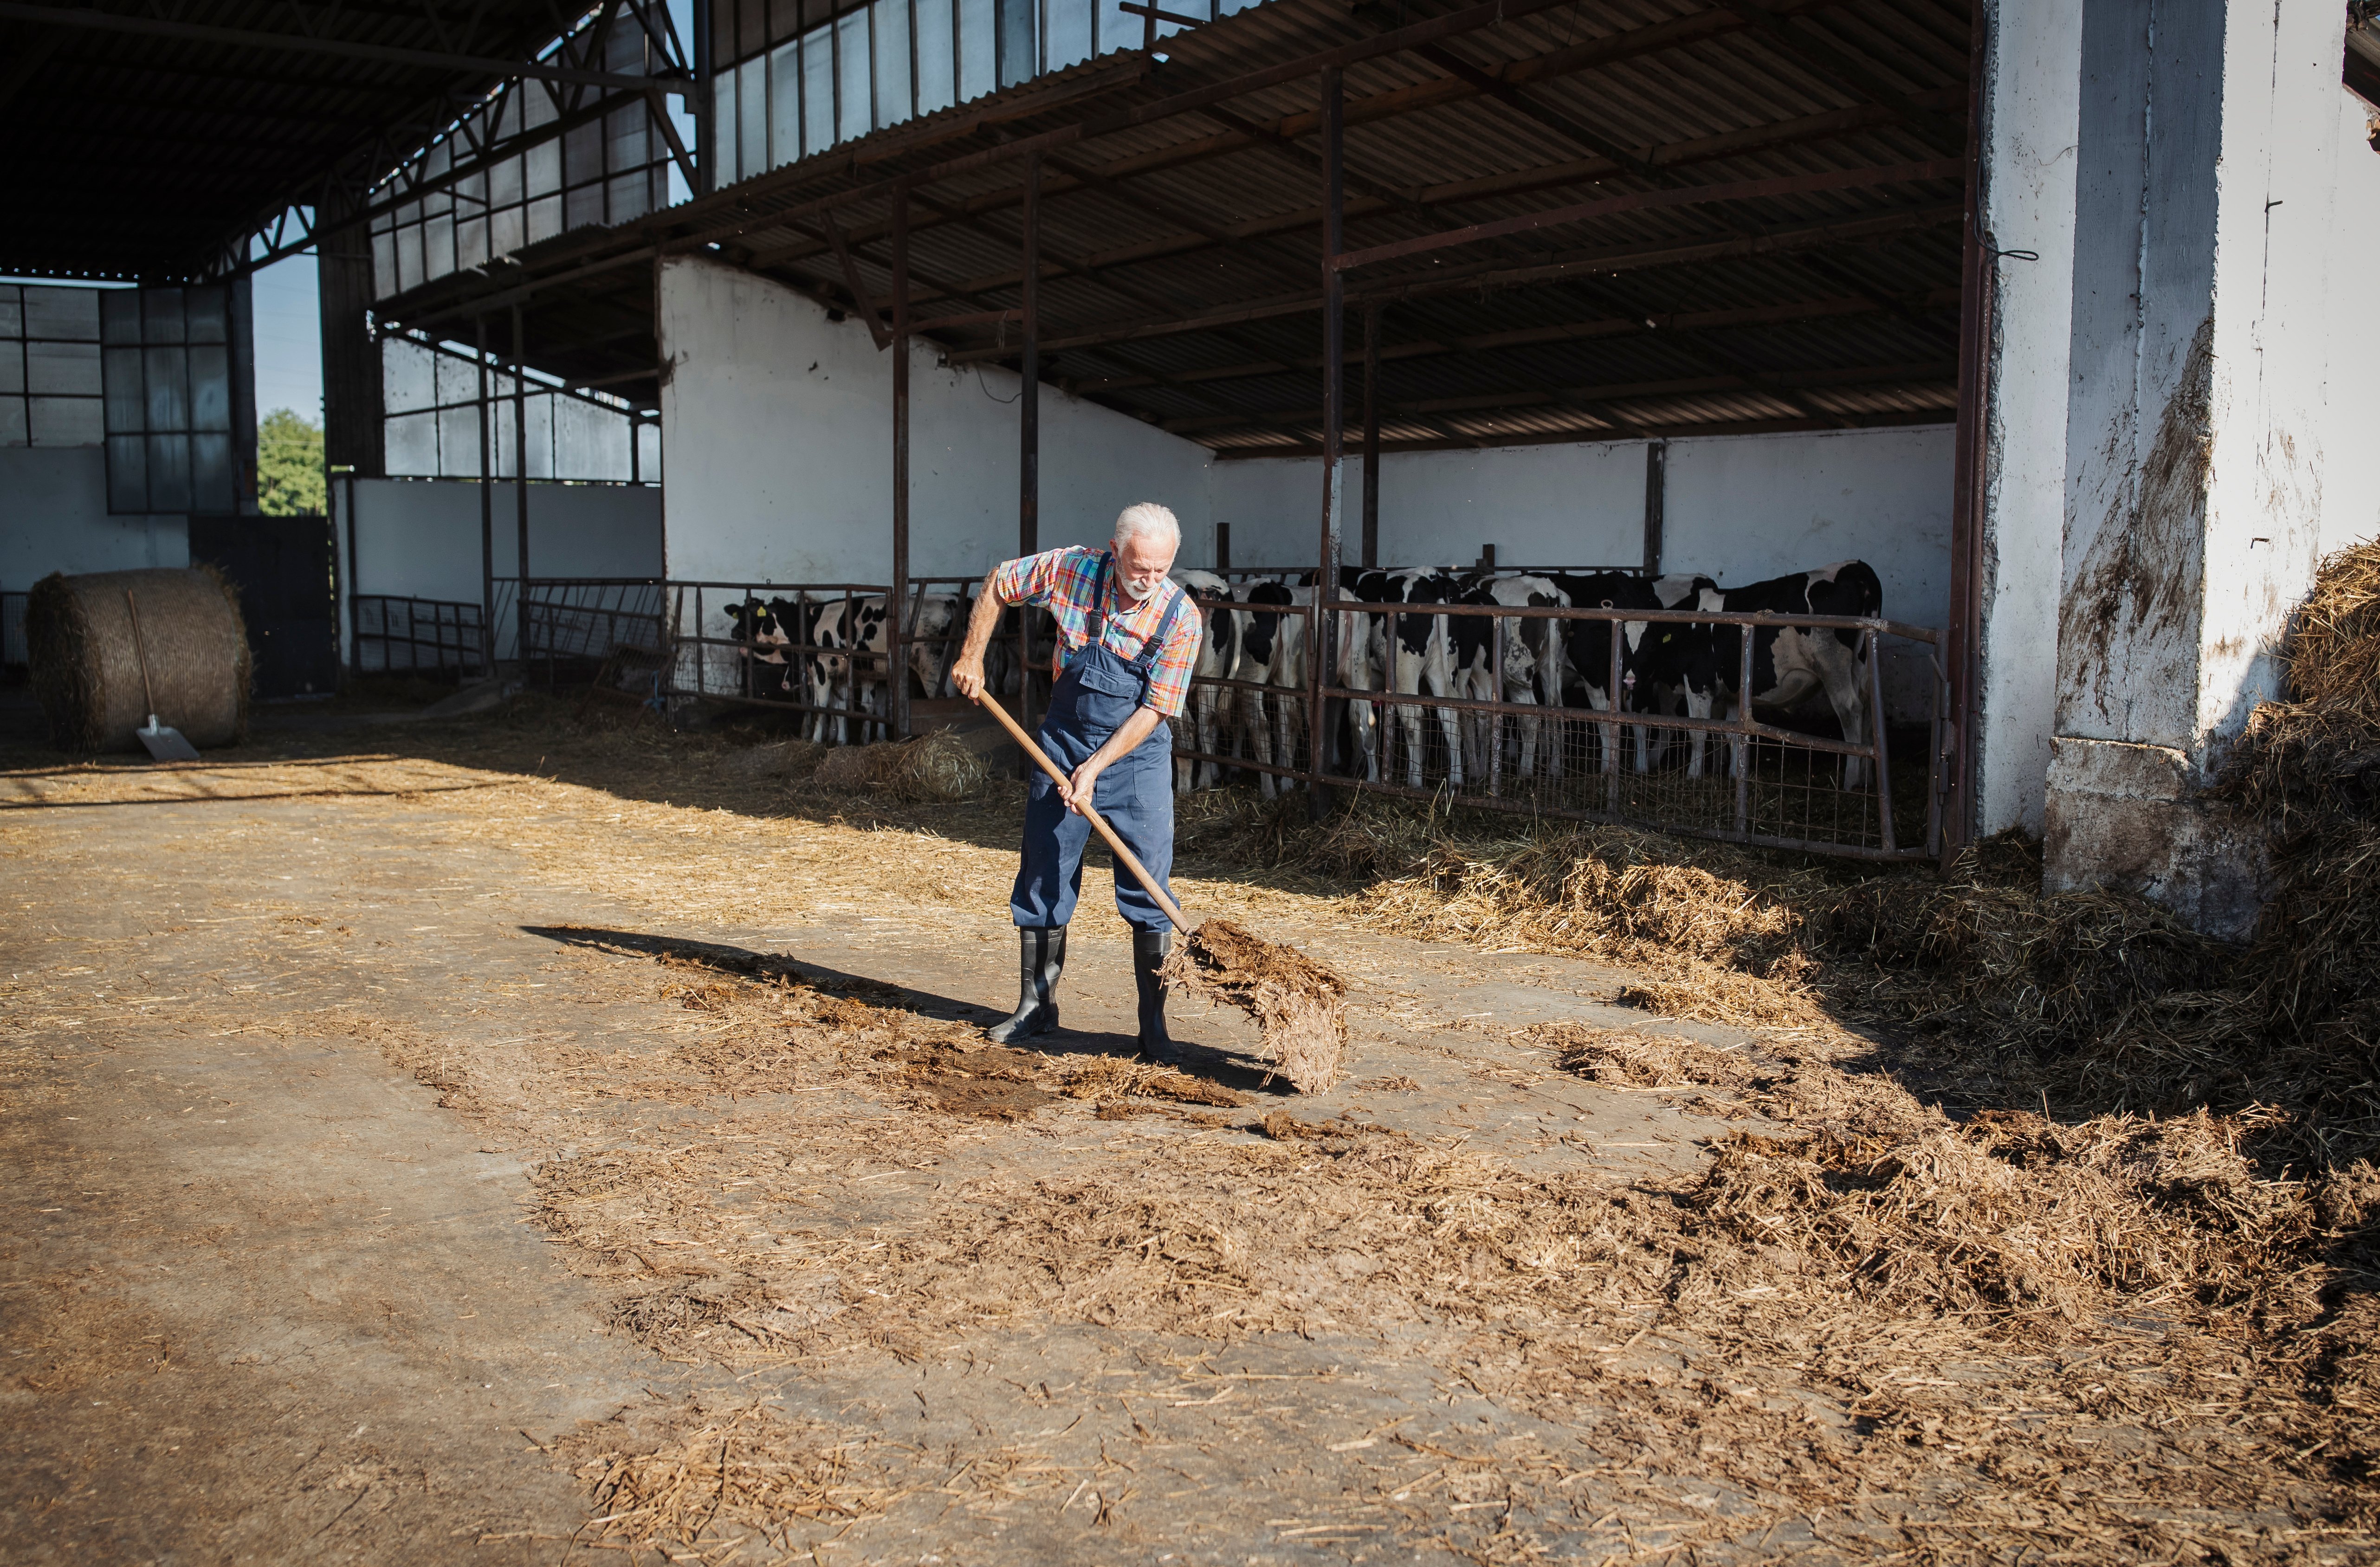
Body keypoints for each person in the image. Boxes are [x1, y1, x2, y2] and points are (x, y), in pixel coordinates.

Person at [948, 503, 1203, 1061]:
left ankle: (1153, 1027)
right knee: (1044, 869)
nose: (1150, 582)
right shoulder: (1071, 570)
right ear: (1114, 552)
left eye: (1162, 571)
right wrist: (973, 654)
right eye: (1139, 568)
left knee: (1149, 887)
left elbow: (1157, 708)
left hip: (1135, 757)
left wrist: (1096, 769)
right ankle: (1036, 1008)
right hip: (1061, 742)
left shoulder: (1180, 618)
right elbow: (1000, 582)